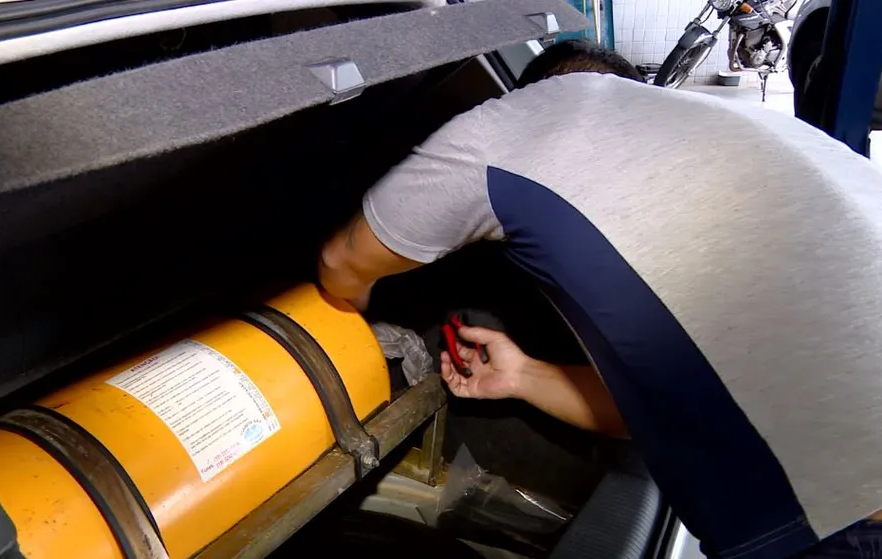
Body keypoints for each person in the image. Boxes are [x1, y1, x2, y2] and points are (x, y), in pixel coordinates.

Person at [317, 39, 882, 559]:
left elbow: (342, 263)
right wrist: (523, 376)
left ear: (529, 94)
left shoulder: (506, 127)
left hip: (844, 516)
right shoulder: (737, 128)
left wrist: (346, 327)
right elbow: (656, 410)